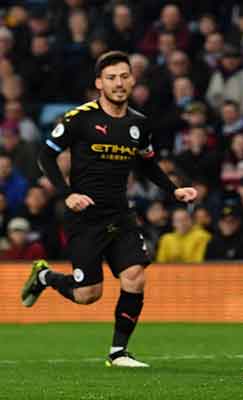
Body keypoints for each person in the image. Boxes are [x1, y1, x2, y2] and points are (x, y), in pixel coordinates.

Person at [20, 51, 197, 367]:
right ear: (99, 83)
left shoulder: (139, 125)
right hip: (84, 218)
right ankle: (45, 277)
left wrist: (174, 190)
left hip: (120, 214)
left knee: (135, 276)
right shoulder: (80, 119)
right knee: (88, 294)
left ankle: (118, 353)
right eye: (112, 78)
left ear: (132, 80)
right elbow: (45, 157)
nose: (119, 83)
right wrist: (67, 194)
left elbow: (148, 164)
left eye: (124, 76)